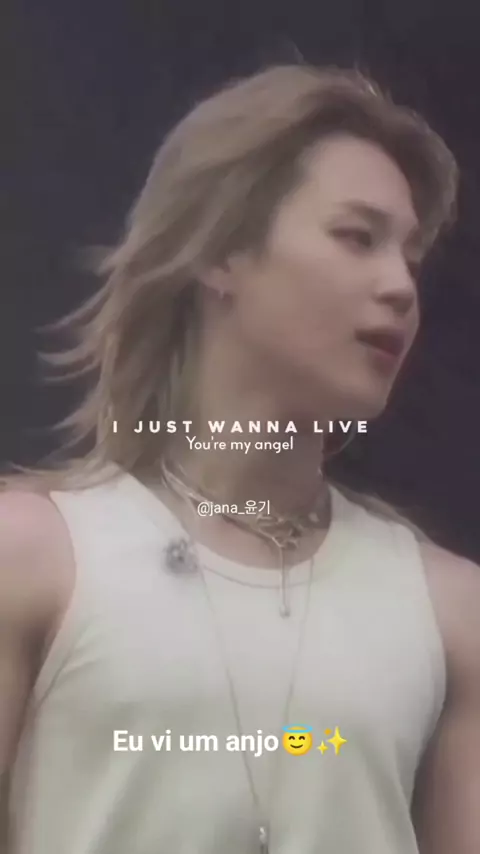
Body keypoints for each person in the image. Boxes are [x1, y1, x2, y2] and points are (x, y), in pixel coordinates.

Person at [1, 62, 479, 854]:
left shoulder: (452, 612)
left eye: (411, 258)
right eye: (357, 238)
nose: (400, 286)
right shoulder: (32, 560)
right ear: (221, 252)